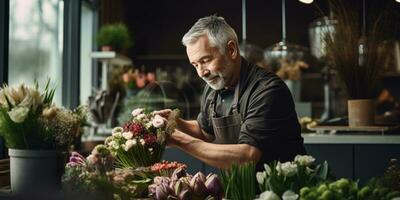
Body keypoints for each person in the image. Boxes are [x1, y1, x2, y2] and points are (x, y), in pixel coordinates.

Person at [155, 15, 305, 171]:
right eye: (195, 65)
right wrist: (177, 122)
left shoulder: (267, 90)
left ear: (231, 50)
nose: (201, 73)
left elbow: (248, 156)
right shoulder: (214, 87)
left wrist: (179, 140)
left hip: (282, 190)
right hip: (239, 190)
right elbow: (206, 132)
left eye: (205, 60)